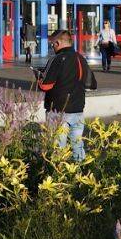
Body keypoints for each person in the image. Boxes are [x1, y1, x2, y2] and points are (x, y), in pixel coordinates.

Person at [37, 29, 88, 162]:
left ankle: (58, 176)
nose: (52, 47)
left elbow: (45, 85)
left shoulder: (56, 59)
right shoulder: (80, 58)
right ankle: (81, 174)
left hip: (58, 111)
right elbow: (91, 84)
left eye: (52, 44)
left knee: (57, 148)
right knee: (78, 146)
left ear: (58, 42)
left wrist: (39, 76)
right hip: (78, 110)